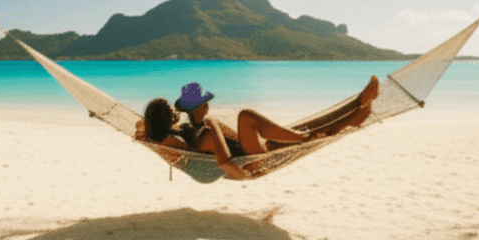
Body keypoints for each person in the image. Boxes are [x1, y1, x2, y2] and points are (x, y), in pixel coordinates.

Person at [137, 77, 379, 179]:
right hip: (251, 160)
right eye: (170, 113)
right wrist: (215, 129)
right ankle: (354, 109)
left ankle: (359, 109)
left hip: (253, 150)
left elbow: (143, 127)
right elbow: (224, 161)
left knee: (312, 128)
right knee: (246, 117)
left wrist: (145, 132)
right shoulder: (192, 135)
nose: (174, 114)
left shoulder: (181, 130)